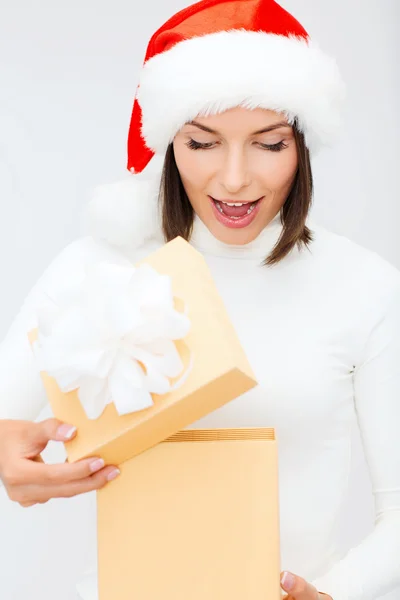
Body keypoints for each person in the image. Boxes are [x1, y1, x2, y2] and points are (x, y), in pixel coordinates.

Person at [0, 0, 399, 599]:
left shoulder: (364, 285)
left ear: (303, 146)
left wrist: (334, 594)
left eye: (268, 144)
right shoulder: (99, 265)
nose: (235, 179)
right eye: (203, 142)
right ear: (167, 143)